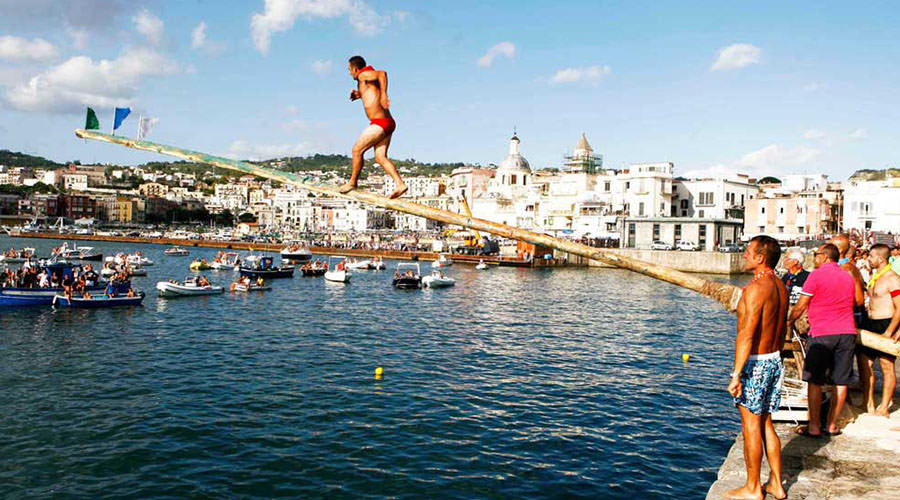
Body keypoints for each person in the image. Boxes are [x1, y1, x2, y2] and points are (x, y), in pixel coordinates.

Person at [726, 235, 788, 500]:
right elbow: (782, 326)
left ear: (761, 257)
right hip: (774, 358)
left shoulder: (755, 290)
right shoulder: (780, 286)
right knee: (766, 423)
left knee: (750, 425)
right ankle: (777, 483)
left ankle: (753, 488)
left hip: (756, 363)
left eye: (749, 251)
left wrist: (737, 374)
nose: (745, 255)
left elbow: (747, 335)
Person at [789, 243, 857, 438]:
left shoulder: (815, 276)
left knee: (815, 381)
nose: (815, 258)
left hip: (822, 333)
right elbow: (853, 302)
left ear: (826, 257)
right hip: (847, 332)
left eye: (817, 254)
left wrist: (789, 321)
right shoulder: (847, 276)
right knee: (841, 381)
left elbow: (801, 305)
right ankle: (832, 425)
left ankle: (814, 426)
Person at [338, 55, 407, 199]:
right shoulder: (365, 81)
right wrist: (358, 95)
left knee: (357, 150)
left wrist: (384, 94)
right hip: (388, 122)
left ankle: (353, 182)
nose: (349, 73)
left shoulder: (363, 74)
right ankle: (400, 184)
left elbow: (382, 74)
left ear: (355, 68)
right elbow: (371, 94)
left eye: (349, 69)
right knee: (380, 157)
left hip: (380, 123)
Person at [857, 243, 900, 416]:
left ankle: (883, 407)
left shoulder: (893, 278)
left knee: (886, 366)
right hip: (871, 322)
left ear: (881, 259)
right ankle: (867, 402)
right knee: (864, 363)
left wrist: (891, 331)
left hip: (886, 322)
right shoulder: (876, 276)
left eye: (871, 256)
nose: (868, 259)